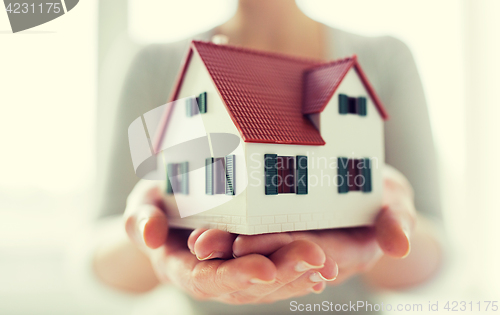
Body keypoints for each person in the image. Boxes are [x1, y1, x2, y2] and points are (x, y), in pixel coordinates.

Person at [93, 0, 443, 313]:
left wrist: (375, 232)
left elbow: (437, 249)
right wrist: (155, 231)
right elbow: (97, 253)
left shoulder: (384, 58)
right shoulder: (153, 65)